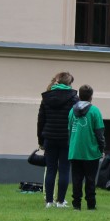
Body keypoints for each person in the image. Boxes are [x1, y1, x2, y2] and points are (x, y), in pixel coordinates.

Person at [37, 72, 79, 208]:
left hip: (49, 137)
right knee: (64, 170)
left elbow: (41, 120)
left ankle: (49, 201)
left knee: (51, 169)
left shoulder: (46, 97)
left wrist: (40, 140)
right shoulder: (73, 98)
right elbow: (76, 120)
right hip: (66, 138)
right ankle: (60, 201)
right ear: (69, 83)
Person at [67, 84, 105, 210]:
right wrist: (101, 148)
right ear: (91, 97)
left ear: (79, 95)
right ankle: (91, 205)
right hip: (91, 151)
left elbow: (69, 131)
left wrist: (71, 146)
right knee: (90, 179)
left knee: (76, 179)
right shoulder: (95, 111)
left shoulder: (72, 111)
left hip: (75, 151)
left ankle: (76, 204)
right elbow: (99, 133)